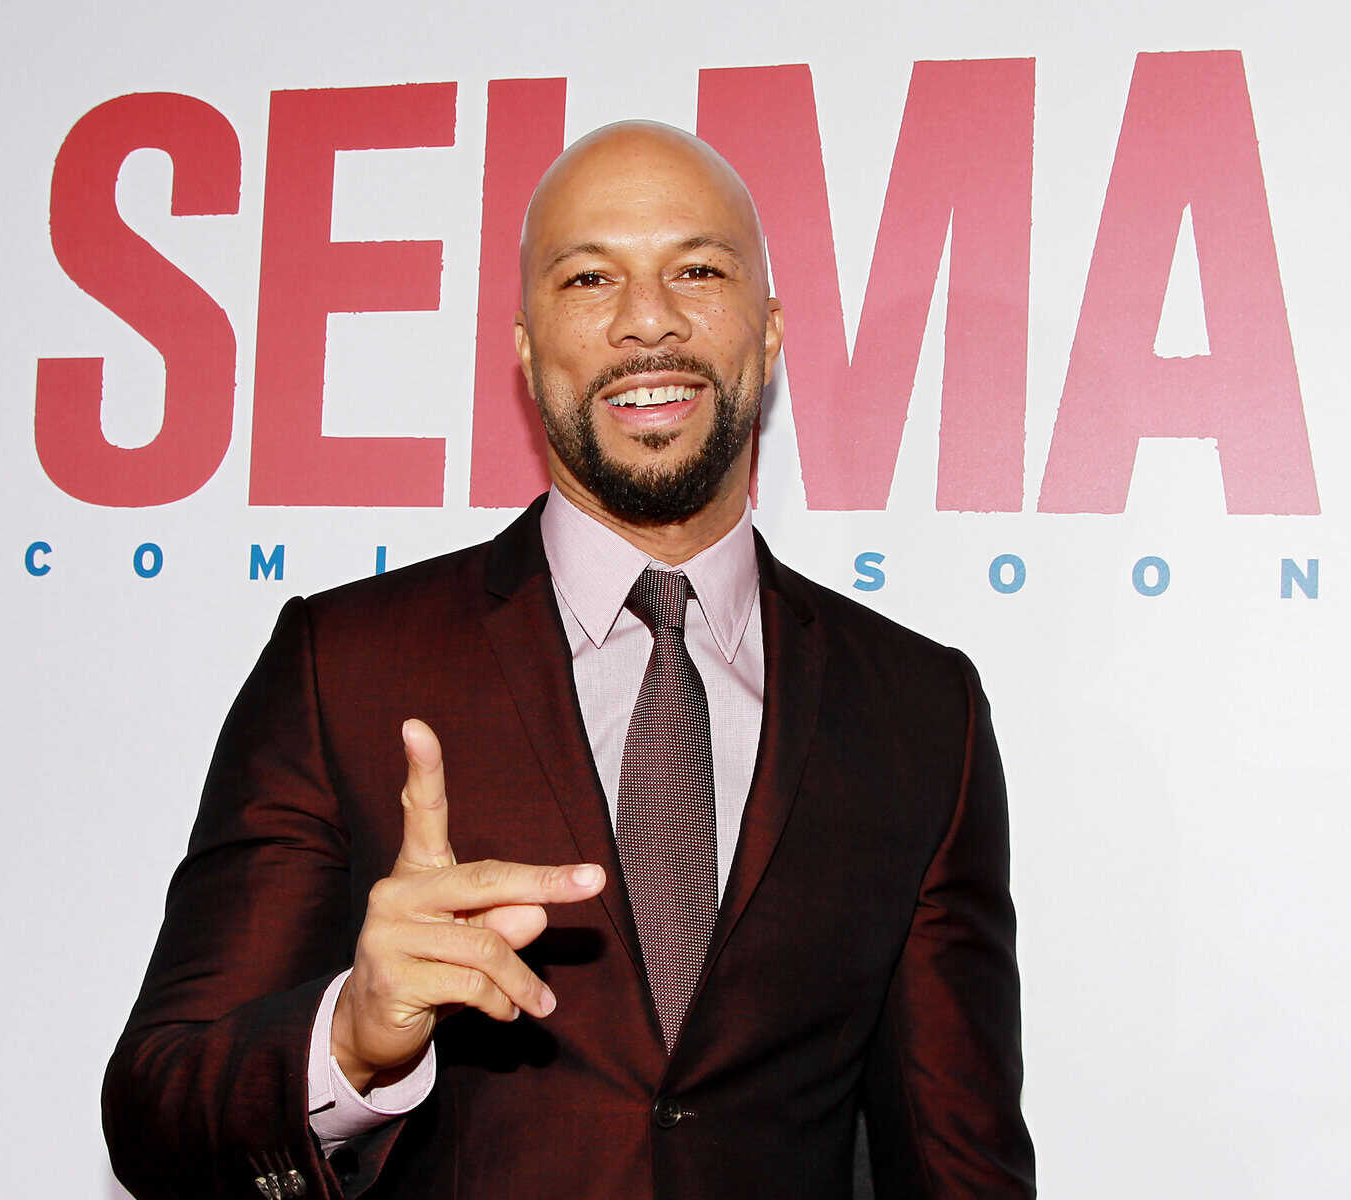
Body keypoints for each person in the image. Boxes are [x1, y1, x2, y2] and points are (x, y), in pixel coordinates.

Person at [103, 120, 1033, 1199]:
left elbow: (960, 1163)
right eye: (589, 278)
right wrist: (349, 1041)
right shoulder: (343, 668)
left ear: (770, 330)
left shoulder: (921, 710)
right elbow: (155, 1111)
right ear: (527, 347)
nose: (648, 318)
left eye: (698, 270)